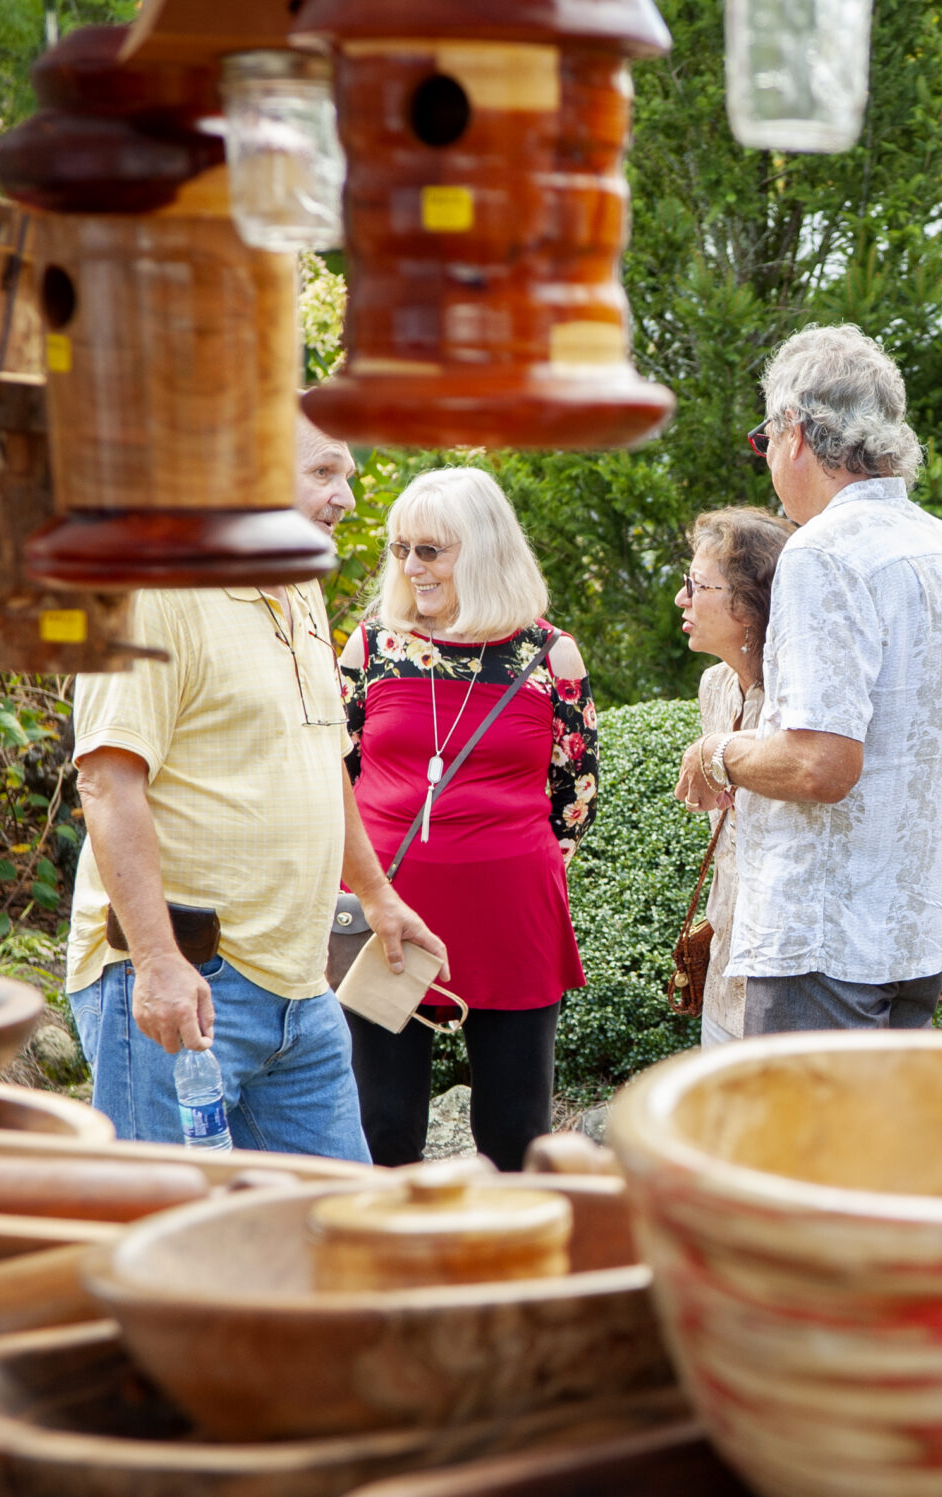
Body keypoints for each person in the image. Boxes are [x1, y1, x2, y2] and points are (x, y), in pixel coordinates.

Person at [65, 412, 447, 1159]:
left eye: (347, 476)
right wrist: (157, 963)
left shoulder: (297, 585)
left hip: (302, 990)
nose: (347, 497)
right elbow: (108, 784)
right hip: (189, 983)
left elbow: (321, 755)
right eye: (323, 474)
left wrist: (377, 895)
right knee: (172, 1241)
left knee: (336, 1235)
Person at [676, 324, 942, 1033]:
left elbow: (822, 764)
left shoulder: (824, 551)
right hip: (916, 931)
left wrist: (717, 754)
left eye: (764, 441)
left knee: (795, 1148)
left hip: (823, 943)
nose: (766, 462)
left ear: (793, 430)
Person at [337, 469, 596, 1169]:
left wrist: (495, 858)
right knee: (381, 1128)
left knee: (516, 1132)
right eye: (401, 550)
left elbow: (574, 794)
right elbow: (334, 773)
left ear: (482, 549)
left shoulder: (549, 656)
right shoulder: (373, 648)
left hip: (511, 915)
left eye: (431, 550)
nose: (411, 567)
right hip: (385, 911)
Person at [677, 507, 792, 1047]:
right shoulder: (715, 686)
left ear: (747, 606)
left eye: (696, 585)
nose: (682, 599)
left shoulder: (797, 703)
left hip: (787, 973)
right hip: (723, 958)